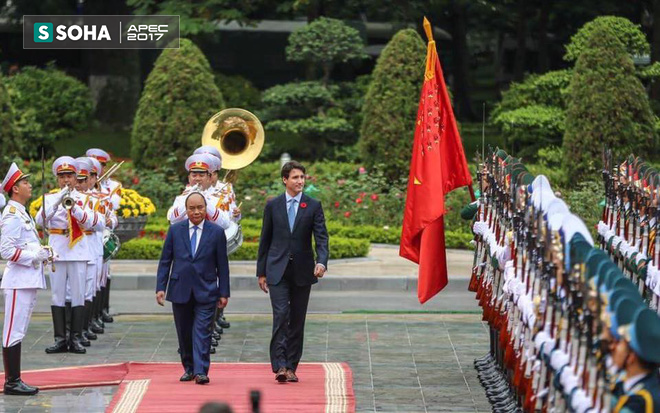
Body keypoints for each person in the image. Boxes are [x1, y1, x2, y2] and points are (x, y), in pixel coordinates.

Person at [256, 161, 329, 382]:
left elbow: (322, 237)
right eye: (295, 177)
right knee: (281, 316)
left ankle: (291, 366)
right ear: (285, 180)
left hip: (302, 271)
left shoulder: (313, 205)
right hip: (276, 270)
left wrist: (322, 262)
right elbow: (265, 239)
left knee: (297, 320)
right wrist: (261, 272)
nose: (300, 181)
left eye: (302, 177)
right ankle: (279, 365)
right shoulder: (273, 205)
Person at [156, 192, 230, 384]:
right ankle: (188, 368)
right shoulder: (175, 230)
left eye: (200, 208)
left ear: (206, 209)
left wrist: (224, 292)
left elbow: (222, 265)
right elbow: (165, 261)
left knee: (203, 332)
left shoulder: (216, 232)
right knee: (184, 332)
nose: (196, 212)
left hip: (207, 290)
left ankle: (201, 371)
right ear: (186, 210)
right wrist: (160, 287)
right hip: (180, 289)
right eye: (192, 208)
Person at [36, 156, 103, 354]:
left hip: (78, 251)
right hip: (57, 251)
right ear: (57, 179)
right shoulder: (49, 198)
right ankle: (60, 338)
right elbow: (40, 220)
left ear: (75, 177)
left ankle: (75, 338)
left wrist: (75, 208)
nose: (66, 180)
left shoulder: (86, 199)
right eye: (62, 176)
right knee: (57, 295)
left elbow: (96, 223)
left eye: (70, 176)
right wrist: (57, 201)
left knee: (77, 295)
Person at [0, 163, 50, 395]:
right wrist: (34, 256)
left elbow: (26, 245)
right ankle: (11, 381)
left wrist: (43, 254)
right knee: (13, 330)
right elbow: (6, 250)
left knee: (19, 330)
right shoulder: (11, 215)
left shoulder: (22, 212)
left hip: (27, 279)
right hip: (18, 280)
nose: (30, 186)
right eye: (25, 183)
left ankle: (15, 379)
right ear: (15, 189)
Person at [85, 148, 122, 324]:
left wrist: (102, 186)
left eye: (101, 166)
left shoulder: (112, 186)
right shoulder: (83, 185)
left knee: (102, 275)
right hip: (87, 235)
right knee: (90, 280)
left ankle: (101, 311)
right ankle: (91, 317)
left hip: (104, 232)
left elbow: (115, 203)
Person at [611, 307, 660, 412]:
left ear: (631, 357)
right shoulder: (624, 382)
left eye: (620, 344)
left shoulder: (643, 401)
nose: (614, 347)